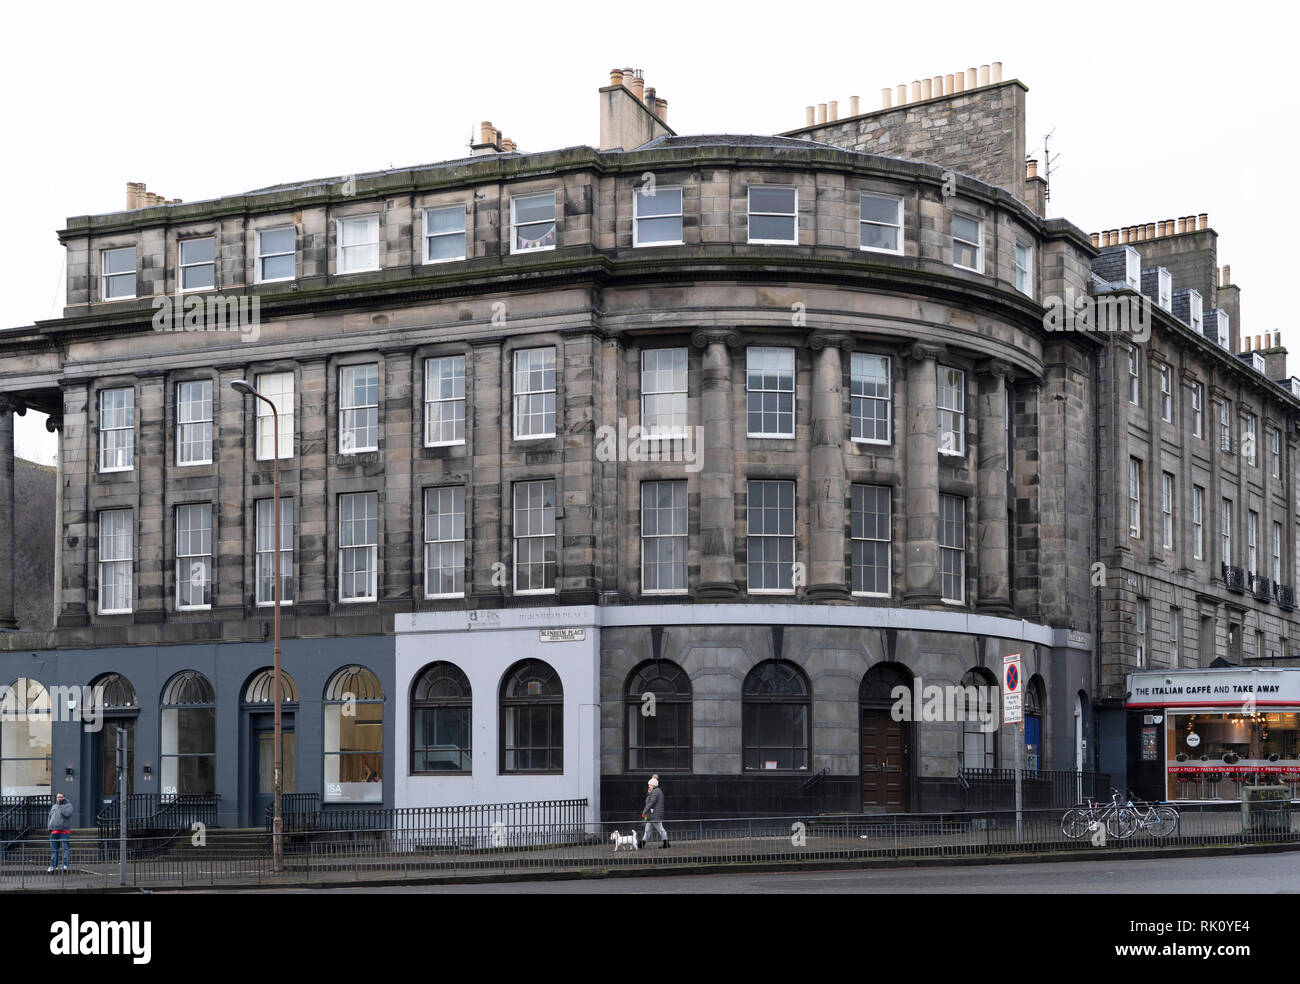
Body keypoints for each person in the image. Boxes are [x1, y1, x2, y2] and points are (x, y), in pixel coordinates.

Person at [641, 775, 669, 849]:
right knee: (647, 829)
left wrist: (644, 812)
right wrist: (649, 793)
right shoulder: (656, 791)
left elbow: (651, 802)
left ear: (653, 785)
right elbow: (649, 801)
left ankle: (666, 844)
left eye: (649, 785)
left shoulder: (655, 792)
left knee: (660, 829)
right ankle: (642, 843)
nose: (648, 786)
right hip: (653, 814)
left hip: (654, 814)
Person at [48, 793, 73, 873]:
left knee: (65, 849)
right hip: (54, 831)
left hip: (64, 831)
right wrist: (49, 827)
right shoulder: (54, 806)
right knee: (54, 850)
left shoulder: (69, 806)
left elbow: (67, 814)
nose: (59, 798)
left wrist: (62, 805)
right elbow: (50, 817)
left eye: (61, 797)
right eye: (58, 797)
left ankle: (65, 865)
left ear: (64, 798)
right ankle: (53, 866)